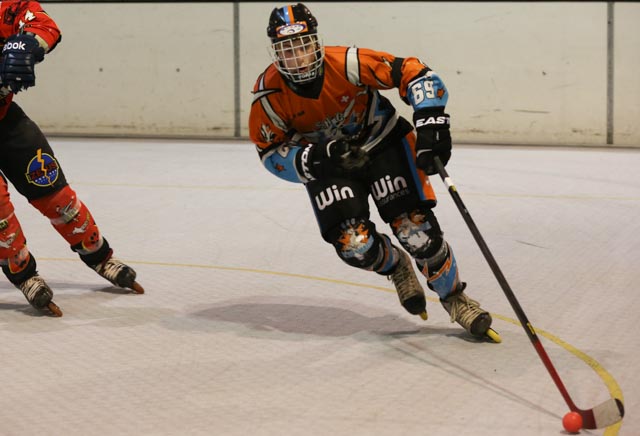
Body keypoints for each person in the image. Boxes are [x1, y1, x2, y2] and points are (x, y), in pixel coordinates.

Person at [248, 3, 500, 341]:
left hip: (383, 145)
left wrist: (431, 119)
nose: (298, 58)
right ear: (276, 53)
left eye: (303, 46)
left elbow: (413, 71)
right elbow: (270, 152)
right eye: (287, 50)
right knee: (354, 245)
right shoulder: (268, 95)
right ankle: (396, 266)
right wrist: (316, 159)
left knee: (417, 231)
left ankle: (455, 298)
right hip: (331, 164)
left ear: (316, 43)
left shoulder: (346, 62)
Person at [0, 1, 143, 317]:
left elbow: (43, 24)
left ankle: (99, 255)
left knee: (55, 193)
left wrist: (25, 44)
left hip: (5, 120)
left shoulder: (5, 8)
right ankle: (24, 274)